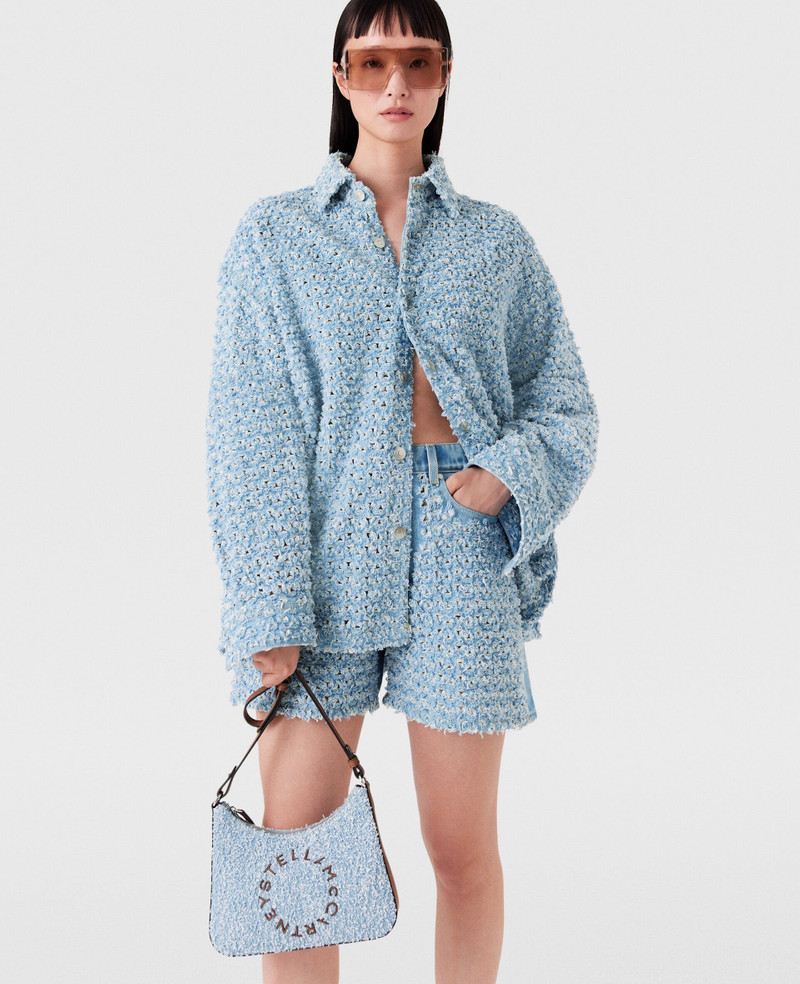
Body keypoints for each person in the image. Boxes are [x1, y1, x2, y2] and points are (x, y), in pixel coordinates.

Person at [205, 1, 598, 981]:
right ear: (341, 76)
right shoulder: (275, 239)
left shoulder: (495, 242)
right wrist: (268, 604)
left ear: (444, 76)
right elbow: (250, 435)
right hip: (320, 553)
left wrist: (504, 476)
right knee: (297, 854)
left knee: (459, 851)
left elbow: (564, 402)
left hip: (462, 549)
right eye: (373, 61)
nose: (394, 84)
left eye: (417, 62)